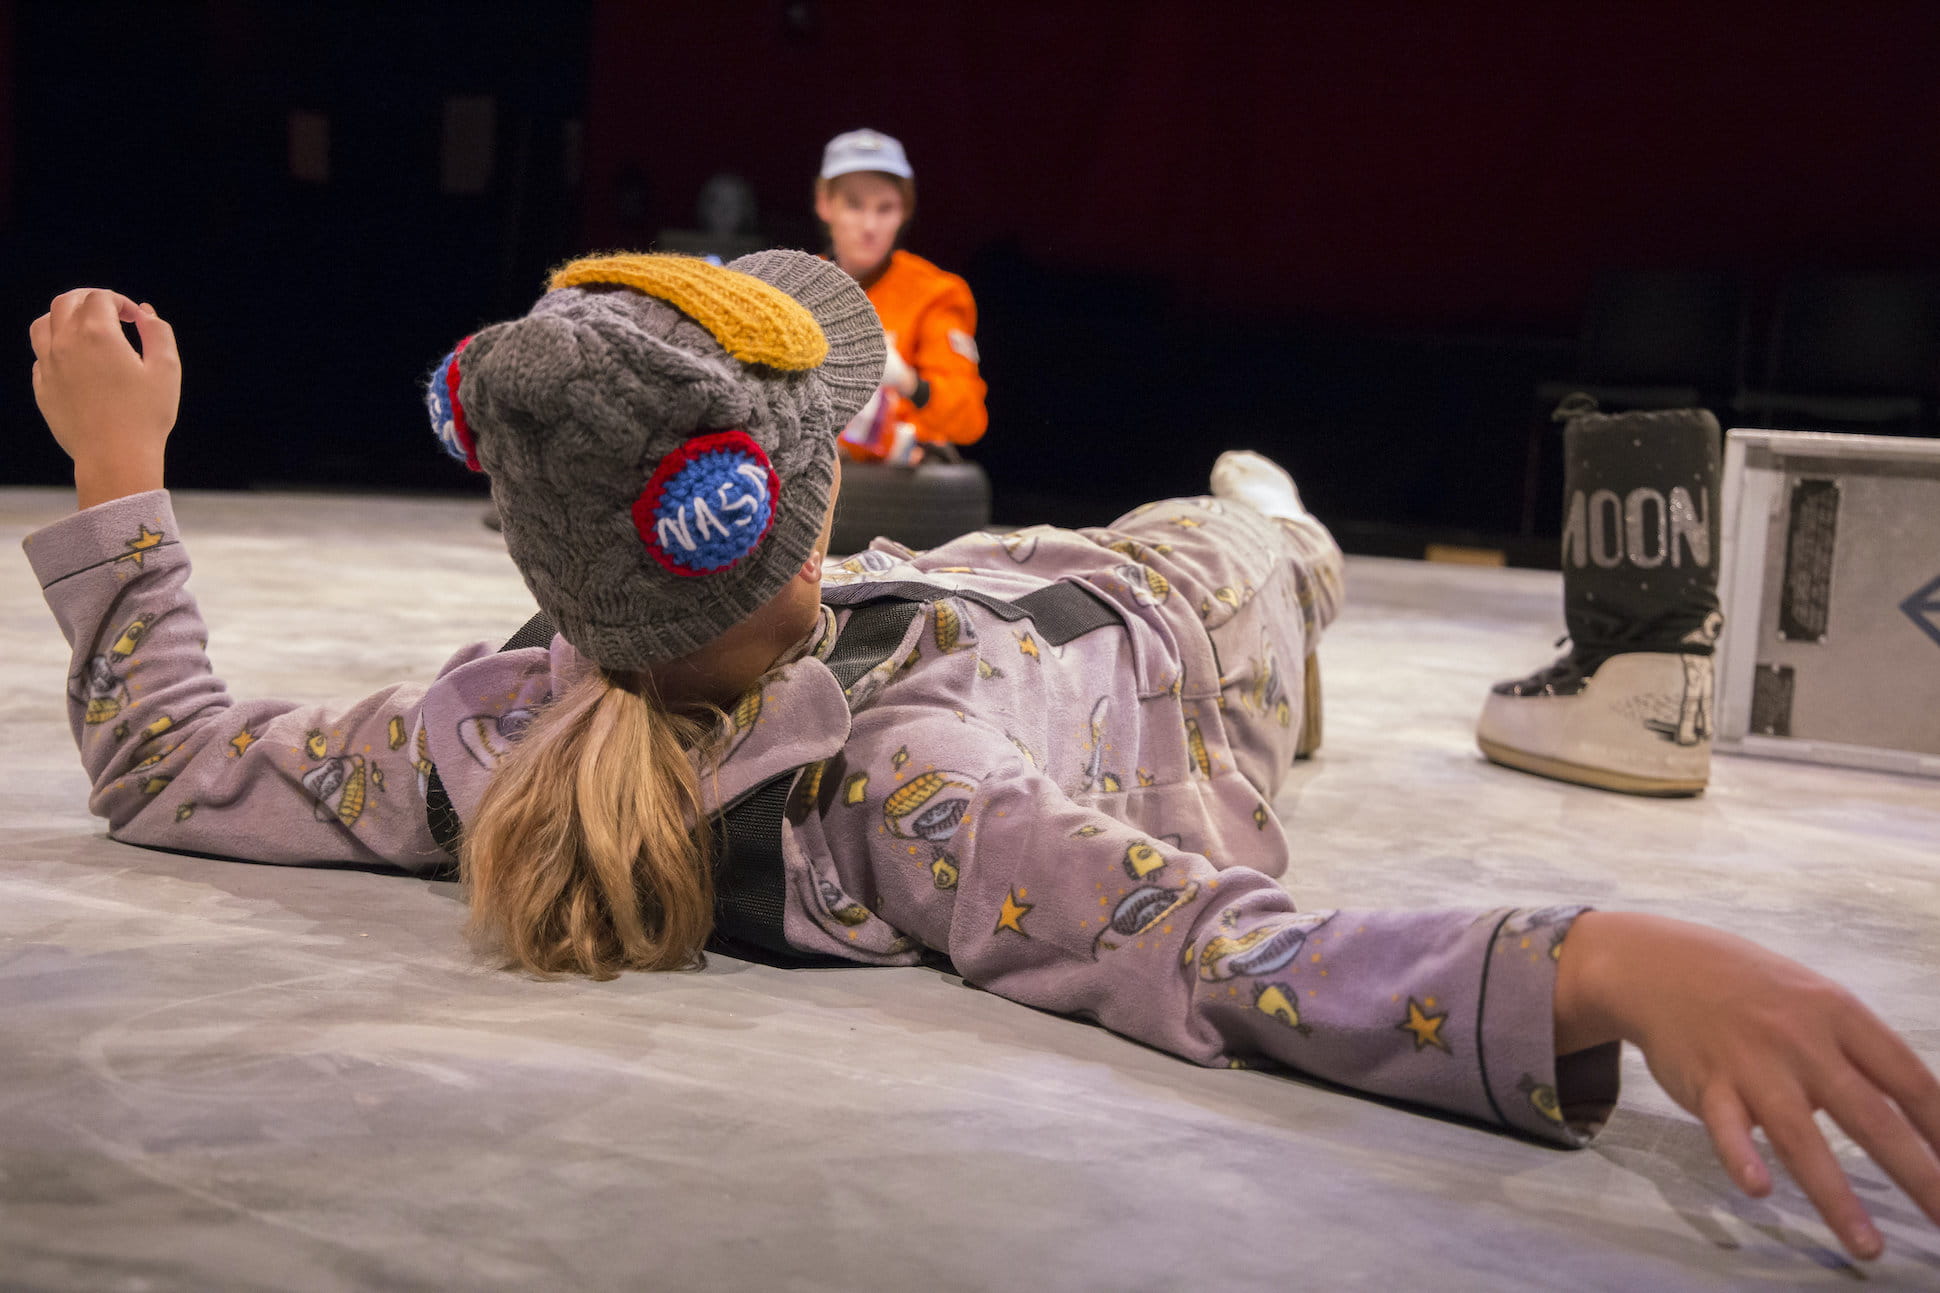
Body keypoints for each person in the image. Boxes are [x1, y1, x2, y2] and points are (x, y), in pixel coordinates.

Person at [24, 256, 1940, 1265]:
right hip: (1167, 629)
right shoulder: (917, 787)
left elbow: (172, 758)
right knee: (1251, 535)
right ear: (808, 490)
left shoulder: (496, 729)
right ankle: (1280, 517)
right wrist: (1598, 962)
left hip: (954, 588)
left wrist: (121, 463)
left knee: (1133, 538)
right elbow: (1210, 947)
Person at [814, 128, 986, 464]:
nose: (869, 226)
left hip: (892, 483)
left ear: (904, 211)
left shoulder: (937, 293)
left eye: (885, 208)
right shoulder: (792, 286)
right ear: (824, 204)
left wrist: (908, 382)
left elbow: (969, 419)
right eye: (854, 205)